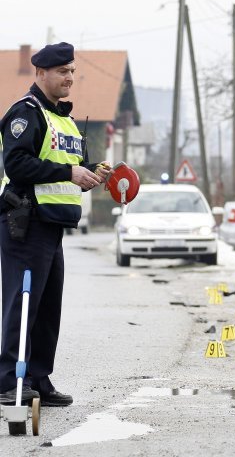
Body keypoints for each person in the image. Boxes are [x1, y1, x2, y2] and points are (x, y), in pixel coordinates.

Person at [0, 42, 110, 407]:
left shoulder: (64, 119)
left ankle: (38, 378)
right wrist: (69, 171)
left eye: (73, 71)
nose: (70, 78)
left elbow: (73, 165)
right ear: (41, 73)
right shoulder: (26, 112)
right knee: (23, 301)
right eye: (63, 71)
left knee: (48, 306)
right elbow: (16, 164)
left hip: (52, 225)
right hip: (24, 220)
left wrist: (96, 173)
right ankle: (8, 381)